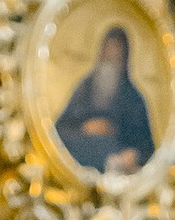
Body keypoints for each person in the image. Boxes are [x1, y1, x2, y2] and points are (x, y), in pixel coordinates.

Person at [55, 24, 157, 178]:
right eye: (107, 48)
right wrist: (85, 128)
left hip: (115, 158)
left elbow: (147, 146)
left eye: (116, 49)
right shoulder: (85, 88)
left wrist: (133, 155)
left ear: (124, 55)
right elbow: (60, 129)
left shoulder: (133, 96)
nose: (110, 54)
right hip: (82, 156)